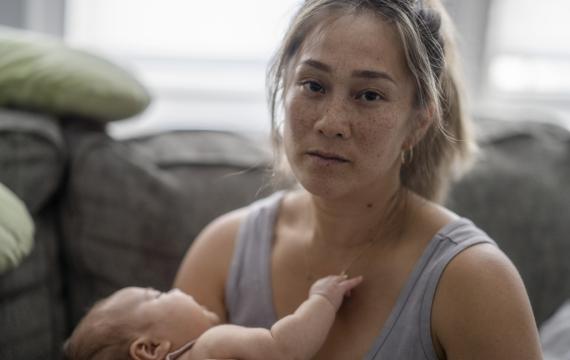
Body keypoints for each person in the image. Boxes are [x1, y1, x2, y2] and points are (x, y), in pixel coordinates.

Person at [174, 0, 543, 358]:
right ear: (284, 86)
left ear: (418, 123)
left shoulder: (476, 282)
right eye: (313, 86)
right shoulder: (221, 253)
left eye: (369, 95)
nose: (331, 123)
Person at [63, 274, 362, 360]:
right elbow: (285, 346)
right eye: (158, 295)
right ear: (151, 348)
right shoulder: (209, 345)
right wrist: (322, 299)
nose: (175, 291)